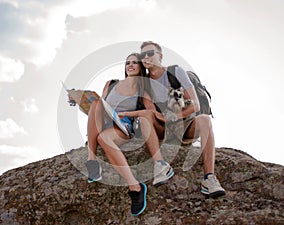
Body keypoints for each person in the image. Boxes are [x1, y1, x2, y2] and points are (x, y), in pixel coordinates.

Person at [73, 53, 174, 216]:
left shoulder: (143, 89)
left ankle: (135, 187)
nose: (130, 65)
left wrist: (126, 113)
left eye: (135, 62)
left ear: (141, 67)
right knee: (95, 103)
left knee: (103, 138)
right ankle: (92, 162)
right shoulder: (111, 83)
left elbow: (151, 112)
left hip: (123, 125)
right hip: (104, 120)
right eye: (128, 63)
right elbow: (101, 106)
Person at [134, 41, 225, 198]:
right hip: (163, 129)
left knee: (204, 119)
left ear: (160, 56)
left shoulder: (176, 71)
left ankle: (209, 178)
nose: (146, 57)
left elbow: (195, 104)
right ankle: (161, 166)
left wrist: (174, 116)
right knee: (144, 118)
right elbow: (151, 111)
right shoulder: (145, 83)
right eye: (143, 55)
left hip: (185, 126)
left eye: (150, 53)